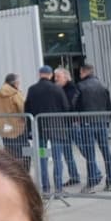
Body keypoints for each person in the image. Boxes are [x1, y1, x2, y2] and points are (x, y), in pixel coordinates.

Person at [23, 65, 70, 195]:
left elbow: (27, 110)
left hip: (40, 130)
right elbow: (66, 107)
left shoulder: (32, 89)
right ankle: (58, 188)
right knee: (57, 158)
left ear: (39, 74)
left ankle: (46, 188)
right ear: (50, 75)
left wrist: (30, 129)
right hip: (57, 129)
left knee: (42, 159)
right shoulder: (57, 89)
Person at [75, 63, 111, 191]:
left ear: (84, 72)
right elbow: (109, 106)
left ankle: (91, 184)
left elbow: (74, 104)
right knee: (106, 152)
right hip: (102, 122)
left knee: (90, 154)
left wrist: (77, 118)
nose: (79, 74)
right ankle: (110, 181)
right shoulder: (103, 85)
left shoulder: (80, 86)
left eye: (80, 72)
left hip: (87, 123)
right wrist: (107, 122)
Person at [0, 72, 30, 169]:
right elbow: (23, 109)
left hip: (4, 128)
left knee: (9, 152)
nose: (19, 84)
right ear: (15, 83)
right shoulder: (15, 94)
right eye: (18, 83)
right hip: (18, 128)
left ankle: (12, 172)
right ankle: (24, 171)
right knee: (24, 150)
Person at [53, 67, 82, 186]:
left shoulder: (72, 88)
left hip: (73, 125)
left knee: (85, 150)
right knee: (67, 153)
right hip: (64, 126)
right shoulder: (60, 89)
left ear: (66, 77)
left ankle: (95, 172)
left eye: (58, 77)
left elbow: (69, 105)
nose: (55, 79)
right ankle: (74, 176)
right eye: (55, 76)